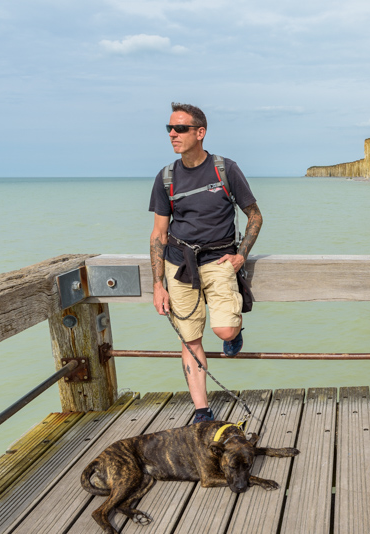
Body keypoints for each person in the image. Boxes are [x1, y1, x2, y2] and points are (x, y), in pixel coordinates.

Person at [149, 102, 262, 424]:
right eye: (170, 128)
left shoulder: (225, 169)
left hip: (219, 260)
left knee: (224, 331)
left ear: (200, 132)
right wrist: (157, 284)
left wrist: (242, 253)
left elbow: (254, 214)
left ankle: (234, 334)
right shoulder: (166, 177)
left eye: (181, 128)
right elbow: (158, 234)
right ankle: (201, 411)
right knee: (190, 338)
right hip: (178, 264)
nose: (173, 134)